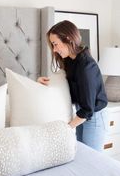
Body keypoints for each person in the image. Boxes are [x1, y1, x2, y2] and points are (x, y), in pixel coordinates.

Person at [38, 20, 108, 151]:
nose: (54, 49)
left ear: (68, 39)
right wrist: (47, 83)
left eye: (55, 44)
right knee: (82, 155)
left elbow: (88, 110)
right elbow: (68, 84)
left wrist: (67, 128)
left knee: (91, 161)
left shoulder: (86, 67)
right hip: (81, 113)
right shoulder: (70, 60)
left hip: (94, 117)